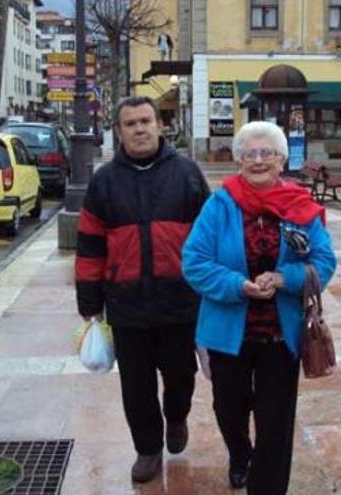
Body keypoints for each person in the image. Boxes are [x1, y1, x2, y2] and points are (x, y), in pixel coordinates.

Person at [182, 121, 337, 494]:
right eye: (249, 153)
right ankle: (239, 453)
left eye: (267, 153)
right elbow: (194, 262)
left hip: (280, 334)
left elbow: (325, 261)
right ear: (238, 161)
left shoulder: (300, 206)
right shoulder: (220, 205)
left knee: (276, 422)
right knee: (229, 409)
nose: (258, 160)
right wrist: (239, 286)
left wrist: (285, 279)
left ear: (282, 160)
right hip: (227, 330)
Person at [75, 96, 210, 483]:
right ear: (119, 132)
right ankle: (147, 449)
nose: (139, 129)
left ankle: (177, 416)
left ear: (159, 125)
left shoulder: (187, 174)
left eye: (146, 121)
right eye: (130, 123)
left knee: (181, 377)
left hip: (180, 301)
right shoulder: (104, 182)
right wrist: (90, 304)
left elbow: (210, 237)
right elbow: (89, 246)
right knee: (136, 387)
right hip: (127, 304)